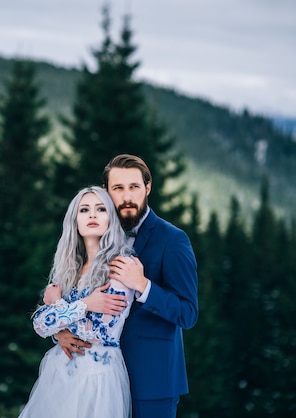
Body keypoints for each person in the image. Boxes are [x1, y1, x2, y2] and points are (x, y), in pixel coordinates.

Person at [54, 154, 199, 418]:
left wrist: (144, 286)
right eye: (118, 188)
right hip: (96, 379)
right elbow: (77, 296)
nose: (127, 196)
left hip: (152, 381)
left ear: (148, 187)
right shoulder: (95, 234)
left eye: (134, 187)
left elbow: (187, 313)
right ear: (107, 193)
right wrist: (61, 331)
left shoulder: (173, 240)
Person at [18, 186, 135, 418]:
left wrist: (60, 307)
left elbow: (101, 332)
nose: (92, 215)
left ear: (111, 218)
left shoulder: (121, 266)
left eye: (101, 209)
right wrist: (78, 312)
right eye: (84, 210)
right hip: (60, 374)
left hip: (97, 377)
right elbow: (40, 324)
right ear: (75, 220)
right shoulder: (69, 270)